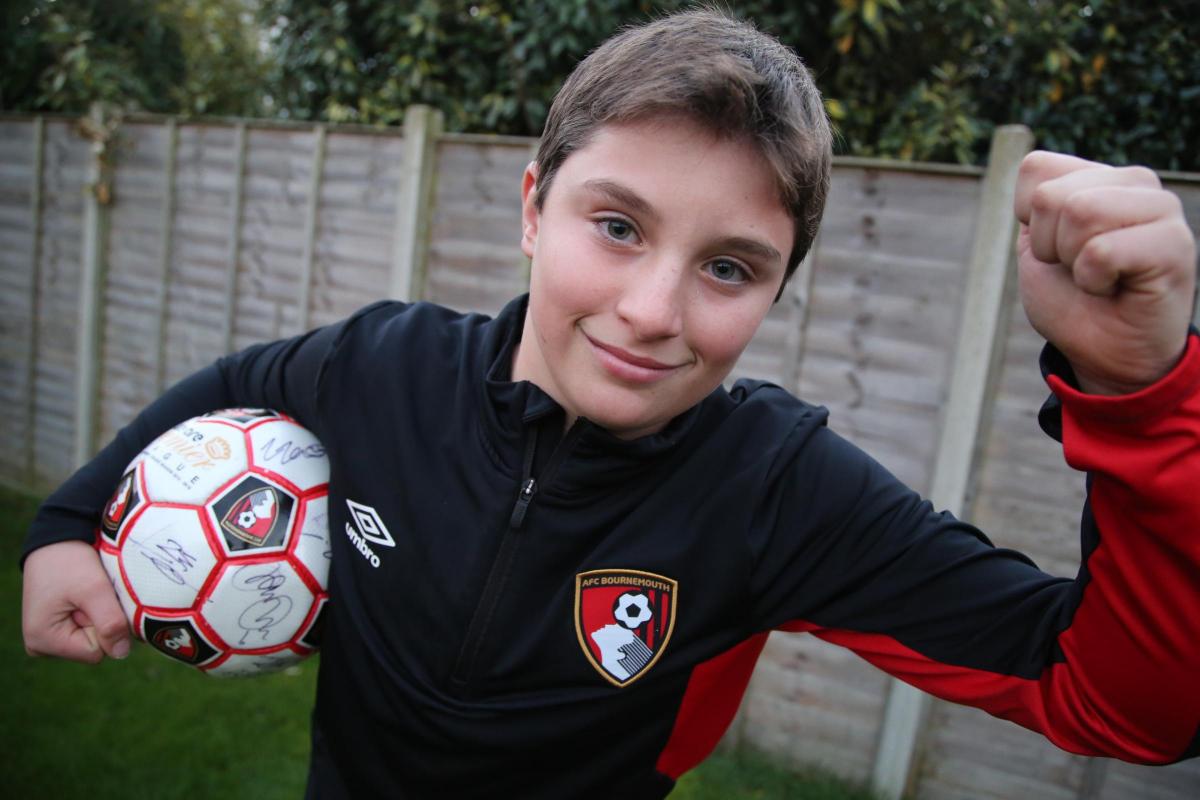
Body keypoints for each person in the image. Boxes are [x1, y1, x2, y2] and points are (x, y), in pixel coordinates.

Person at [20, 7, 1199, 798]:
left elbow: (1121, 701)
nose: (650, 308)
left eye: (729, 266)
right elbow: (239, 383)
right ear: (536, 205)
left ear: (779, 288)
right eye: (619, 226)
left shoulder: (777, 490)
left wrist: (1143, 395)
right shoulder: (386, 369)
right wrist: (75, 520)